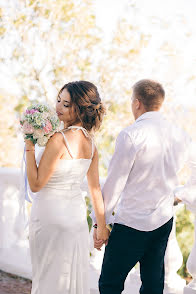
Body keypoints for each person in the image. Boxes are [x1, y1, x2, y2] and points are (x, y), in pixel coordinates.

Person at [92, 79, 193, 294]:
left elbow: (113, 185)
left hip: (130, 222)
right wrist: (184, 194)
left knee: (109, 284)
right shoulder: (181, 135)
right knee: (153, 285)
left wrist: (99, 223)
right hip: (163, 220)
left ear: (137, 103)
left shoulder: (131, 135)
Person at [25, 81, 110, 294]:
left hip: (49, 216)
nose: (58, 108)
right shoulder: (91, 144)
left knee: (46, 278)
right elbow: (95, 189)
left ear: (80, 109)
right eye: (58, 101)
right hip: (75, 219)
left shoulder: (59, 140)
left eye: (66, 104)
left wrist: (29, 147)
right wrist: (101, 227)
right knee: (69, 279)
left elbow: (35, 185)